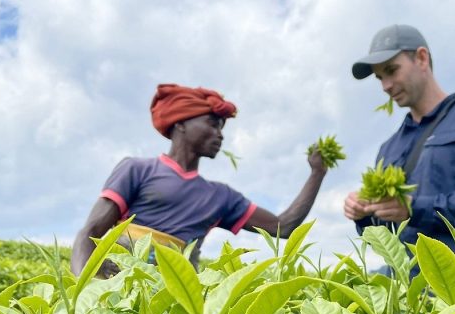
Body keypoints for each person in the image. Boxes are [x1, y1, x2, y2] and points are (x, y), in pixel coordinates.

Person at [71, 84, 328, 276]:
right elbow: (90, 233)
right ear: (180, 124)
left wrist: (317, 173)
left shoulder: (220, 197)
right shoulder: (136, 170)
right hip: (121, 289)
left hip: (175, 301)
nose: (220, 135)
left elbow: (283, 226)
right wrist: (85, 289)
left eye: (221, 128)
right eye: (212, 124)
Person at [343, 25, 455, 287]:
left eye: (392, 70)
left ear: (422, 58)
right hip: (409, 302)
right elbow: (386, 232)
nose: (386, 86)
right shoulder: (389, 148)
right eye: (379, 78)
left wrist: (415, 208)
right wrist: (364, 214)